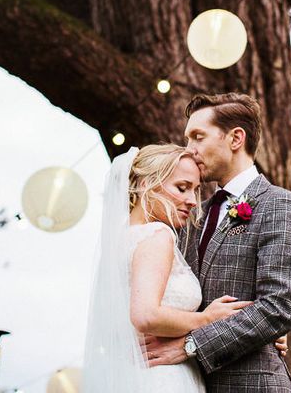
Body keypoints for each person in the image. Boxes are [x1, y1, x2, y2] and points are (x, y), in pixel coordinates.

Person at [144, 93, 291, 392]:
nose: (189, 149)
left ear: (235, 138)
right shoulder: (191, 215)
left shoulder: (279, 204)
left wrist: (191, 345)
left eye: (198, 137)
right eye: (187, 139)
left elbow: (279, 306)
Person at [82, 143, 255, 393]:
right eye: (182, 188)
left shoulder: (120, 238)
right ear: (146, 185)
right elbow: (145, 315)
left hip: (134, 375)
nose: (192, 201)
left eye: (195, 190)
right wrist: (206, 319)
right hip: (164, 377)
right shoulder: (157, 234)